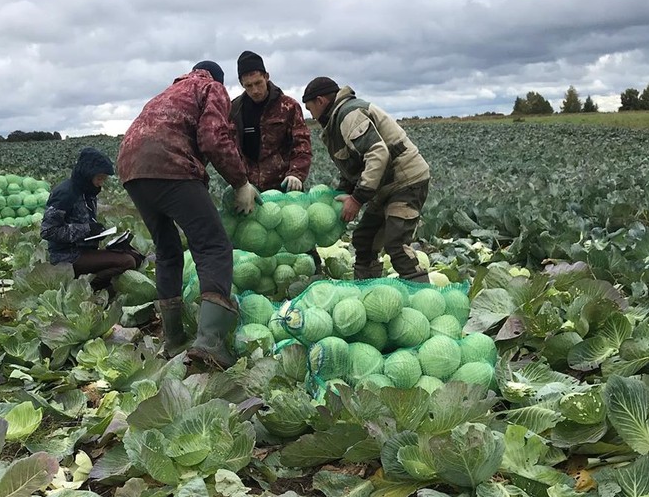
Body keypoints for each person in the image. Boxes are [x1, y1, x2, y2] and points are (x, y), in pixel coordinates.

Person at [117, 60, 261, 368]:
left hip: (132, 169)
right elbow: (213, 138)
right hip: (170, 164)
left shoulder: (168, 92)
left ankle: (173, 340)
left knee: (168, 250)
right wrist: (241, 182)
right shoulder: (211, 87)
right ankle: (209, 342)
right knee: (213, 246)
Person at [302, 77, 431, 282]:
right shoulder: (338, 118)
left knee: (396, 245)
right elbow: (354, 164)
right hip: (386, 186)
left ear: (320, 101)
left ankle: (424, 298)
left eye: (310, 109)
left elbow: (377, 154)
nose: (311, 115)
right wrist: (342, 192)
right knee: (364, 239)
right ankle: (367, 288)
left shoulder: (349, 115)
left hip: (405, 181)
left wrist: (357, 199)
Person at [40, 147, 142, 293]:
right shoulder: (65, 193)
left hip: (86, 251)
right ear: (87, 175)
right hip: (67, 256)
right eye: (99, 178)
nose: (101, 183)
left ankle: (99, 284)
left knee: (135, 255)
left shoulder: (88, 191)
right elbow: (48, 231)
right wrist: (87, 229)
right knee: (127, 261)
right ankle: (89, 288)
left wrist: (98, 231)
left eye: (104, 179)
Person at [230, 51, 312, 192]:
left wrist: (296, 174)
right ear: (241, 84)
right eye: (248, 86)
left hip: (284, 186)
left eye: (258, 83)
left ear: (266, 77)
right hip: (250, 190)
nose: (255, 90)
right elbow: (230, 149)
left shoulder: (288, 106)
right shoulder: (234, 109)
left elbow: (302, 145)